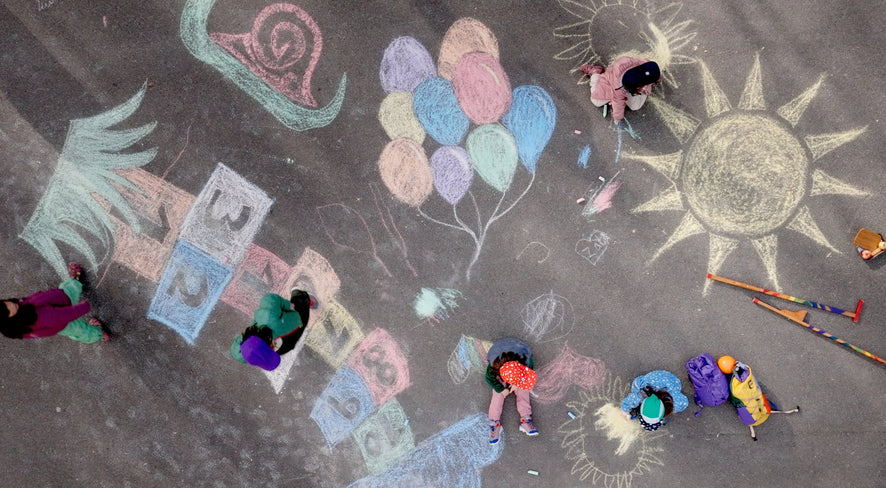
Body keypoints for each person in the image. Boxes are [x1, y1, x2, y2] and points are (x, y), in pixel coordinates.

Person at [0, 263, 108, 343]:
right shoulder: (37, 317)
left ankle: (75, 280)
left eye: (5, 303)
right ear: (9, 320)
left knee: (68, 290)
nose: (11, 305)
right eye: (8, 311)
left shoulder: (17, 312)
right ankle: (99, 333)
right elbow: (64, 315)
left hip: (58, 299)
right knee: (80, 330)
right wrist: (84, 307)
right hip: (62, 321)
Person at [230, 288, 316, 371]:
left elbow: (269, 299)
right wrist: (247, 348)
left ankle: (299, 294)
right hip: (285, 331)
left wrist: (289, 305)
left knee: (301, 311)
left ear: (269, 344)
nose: (274, 349)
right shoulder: (246, 352)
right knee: (291, 342)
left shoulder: (269, 318)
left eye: (271, 349)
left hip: (292, 318)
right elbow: (237, 353)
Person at [485, 337, 538, 444]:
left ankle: (525, 420)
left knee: (523, 390)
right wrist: (501, 389)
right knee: (497, 395)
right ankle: (494, 424)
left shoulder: (525, 361)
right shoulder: (494, 366)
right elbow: (489, 378)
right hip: (502, 365)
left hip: (516, 356)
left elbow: (529, 372)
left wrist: (517, 384)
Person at [580, 57, 661, 125]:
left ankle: (644, 86)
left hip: (625, 84)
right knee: (595, 101)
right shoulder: (618, 90)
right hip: (608, 83)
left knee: (635, 106)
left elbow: (646, 65)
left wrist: (654, 76)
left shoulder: (629, 62)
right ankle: (595, 73)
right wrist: (617, 118)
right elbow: (618, 105)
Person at [620, 370, 688, 431]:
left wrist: (672, 409)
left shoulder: (674, 399)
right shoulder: (640, 394)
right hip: (657, 379)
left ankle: (640, 410)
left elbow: (683, 403)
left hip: (671, 381)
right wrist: (625, 411)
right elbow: (628, 402)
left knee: (636, 389)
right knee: (636, 387)